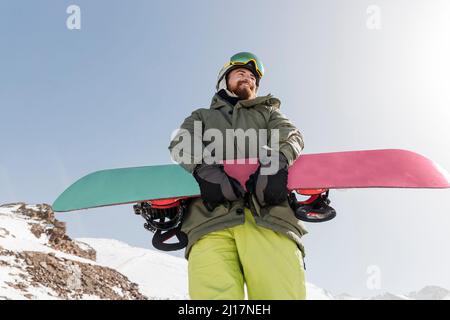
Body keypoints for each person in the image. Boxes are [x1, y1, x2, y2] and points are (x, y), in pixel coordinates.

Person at [168, 52, 307, 300]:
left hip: (270, 219)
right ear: (224, 79)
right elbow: (181, 141)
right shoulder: (202, 116)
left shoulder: (269, 114)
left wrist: (277, 162)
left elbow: (291, 135)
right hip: (209, 223)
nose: (248, 78)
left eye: (253, 77)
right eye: (241, 73)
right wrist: (205, 169)